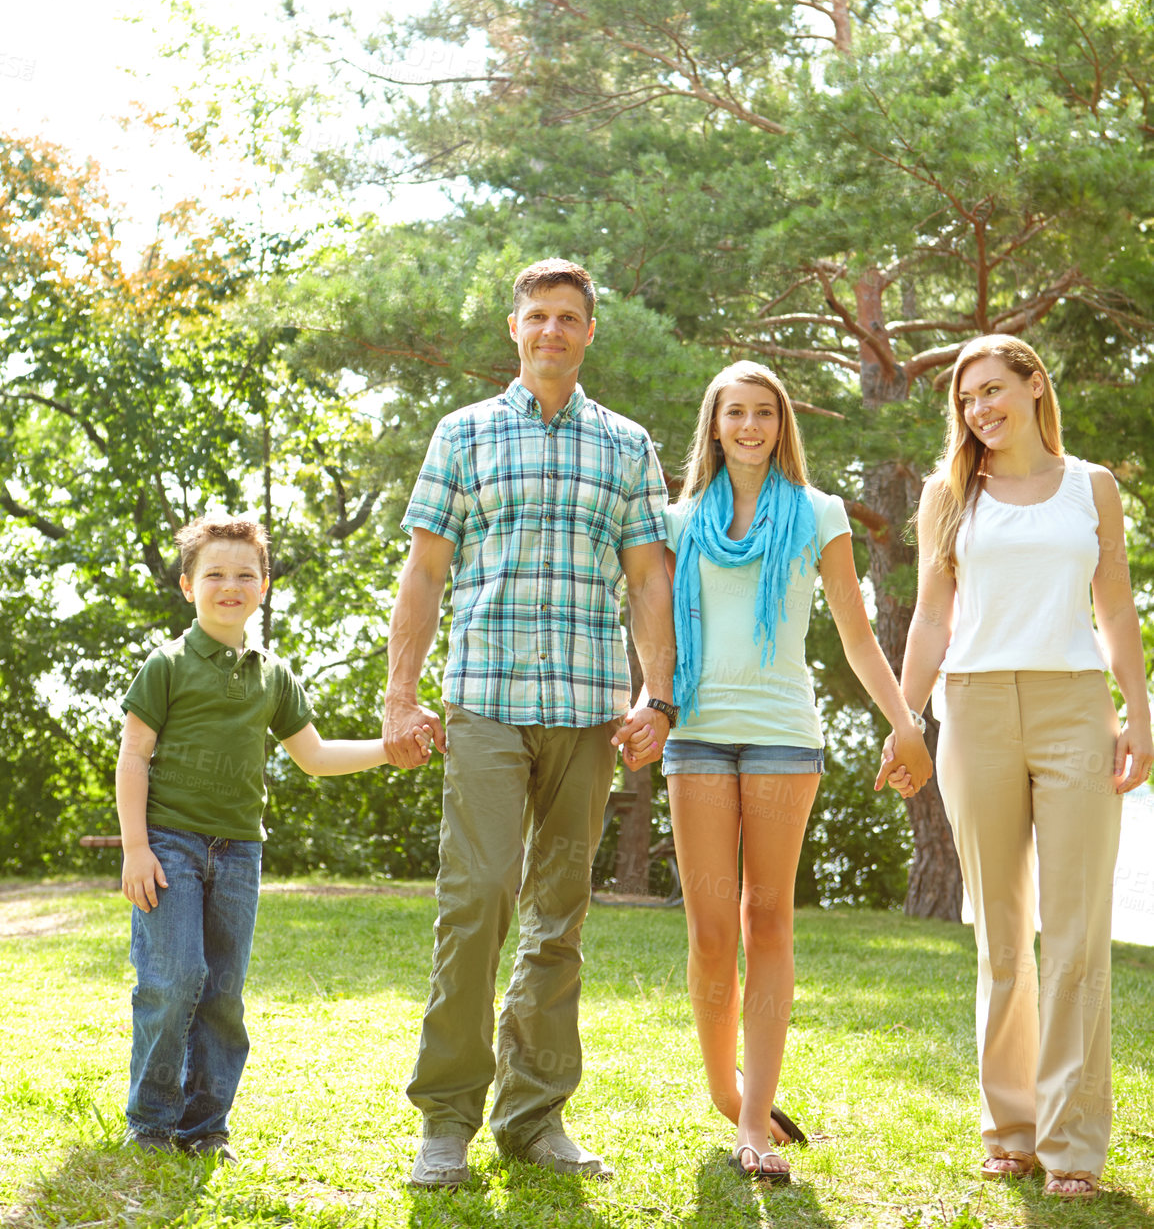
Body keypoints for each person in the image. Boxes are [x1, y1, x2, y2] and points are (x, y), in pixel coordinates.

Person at [382, 258, 677, 1189]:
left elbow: (648, 578)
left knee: (559, 915)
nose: (552, 329)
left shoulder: (626, 444)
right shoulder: (463, 434)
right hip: (485, 702)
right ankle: (446, 1120)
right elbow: (425, 572)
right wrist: (400, 694)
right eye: (538, 315)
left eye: (569, 317)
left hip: (589, 709)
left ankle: (534, 1116)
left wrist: (657, 694)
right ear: (515, 328)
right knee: (476, 901)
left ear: (589, 331)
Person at [632, 361, 932, 1183]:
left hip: (782, 737)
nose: (751, 425)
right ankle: (727, 1095)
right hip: (696, 734)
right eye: (736, 412)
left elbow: (855, 632)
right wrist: (648, 704)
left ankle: (753, 1121)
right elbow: (656, 630)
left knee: (766, 921)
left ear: (782, 423)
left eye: (765, 412)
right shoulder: (677, 519)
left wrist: (905, 721)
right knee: (709, 933)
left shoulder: (818, 512)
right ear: (715, 423)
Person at [878, 335, 1153, 1200]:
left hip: (1077, 707)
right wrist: (905, 719)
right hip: (975, 709)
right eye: (966, 399)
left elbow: (1114, 605)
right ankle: (1009, 1131)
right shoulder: (948, 494)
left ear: (1036, 385)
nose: (979, 410)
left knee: (1075, 937)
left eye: (993, 390)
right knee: (1002, 938)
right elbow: (930, 618)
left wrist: (1139, 713)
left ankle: (1073, 1145)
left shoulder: (1091, 486)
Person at [118, 515, 389, 1160]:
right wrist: (136, 848)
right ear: (188, 585)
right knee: (173, 980)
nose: (230, 585)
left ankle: (205, 1127)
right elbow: (133, 756)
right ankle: (150, 1123)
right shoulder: (167, 665)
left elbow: (314, 756)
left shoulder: (273, 675)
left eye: (245, 574)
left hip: (240, 853)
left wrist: (389, 749)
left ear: (263, 586)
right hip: (169, 845)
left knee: (223, 995)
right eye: (214, 573)